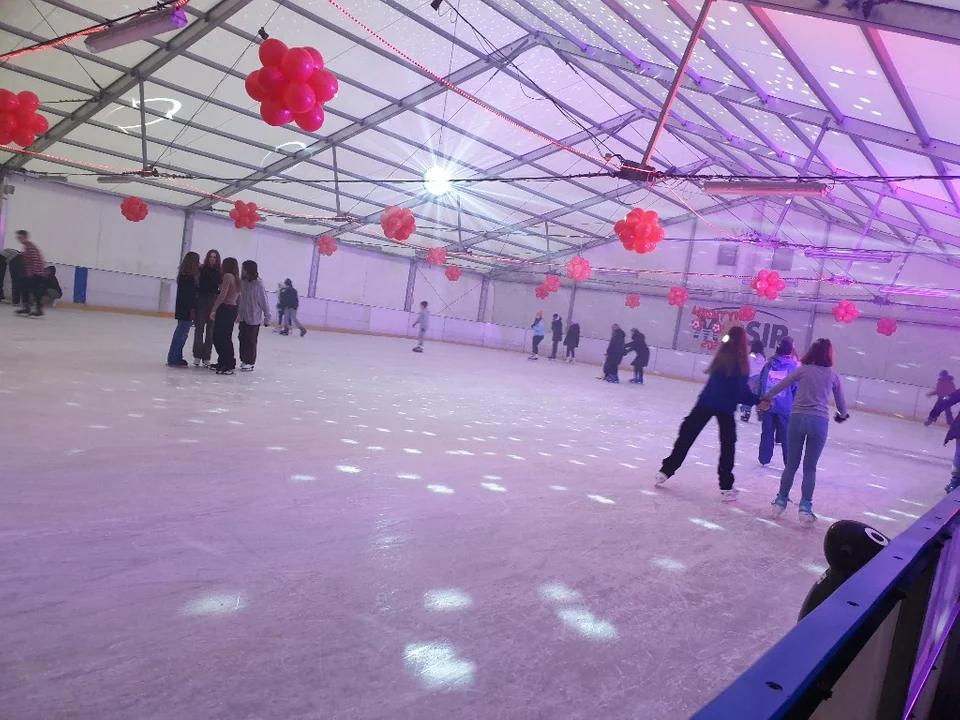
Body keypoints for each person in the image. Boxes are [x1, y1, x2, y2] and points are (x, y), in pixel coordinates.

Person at [656, 326, 758, 502]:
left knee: (687, 435)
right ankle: (726, 486)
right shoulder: (741, 361)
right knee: (727, 446)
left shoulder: (721, 356)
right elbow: (741, 392)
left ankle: (666, 471)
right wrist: (757, 400)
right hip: (724, 407)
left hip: (706, 402)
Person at [760, 338, 849, 527]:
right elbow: (841, 404)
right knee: (810, 467)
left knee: (791, 464)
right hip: (819, 422)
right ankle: (805, 508)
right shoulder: (832, 376)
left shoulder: (802, 370)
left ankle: (780, 501)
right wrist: (842, 415)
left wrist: (767, 397)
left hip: (797, 419)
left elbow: (780, 386)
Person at [757, 337, 799, 467]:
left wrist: (761, 400)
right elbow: (795, 387)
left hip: (768, 405)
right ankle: (789, 462)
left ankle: (764, 458)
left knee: (767, 433)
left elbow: (761, 383)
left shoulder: (768, 364)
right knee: (786, 436)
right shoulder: (792, 367)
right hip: (785, 407)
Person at [237, 260, 271, 372]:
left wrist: (267, 317)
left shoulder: (258, 284)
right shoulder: (243, 282)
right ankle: (244, 359)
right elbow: (241, 299)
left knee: (251, 340)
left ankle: (250, 362)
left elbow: (264, 301)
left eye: (245, 269)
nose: (243, 271)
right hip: (243, 316)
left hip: (254, 317)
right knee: (242, 338)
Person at [167, 252, 199, 368]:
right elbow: (190, 296)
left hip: (182, 308)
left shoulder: (183, 275)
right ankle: (174, 358)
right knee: (181, 334)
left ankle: (176, 356)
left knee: (180, 333)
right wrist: (193, 309)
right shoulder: (188, 277)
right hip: (187, 310)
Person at [209, 257, 240, 375]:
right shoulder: (237, 278)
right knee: (223, 336)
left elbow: (222, 295)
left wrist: (213, 309)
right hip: (231, 309)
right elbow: (239, 298)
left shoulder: (227, 276)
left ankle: (228, 363)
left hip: (225, 308)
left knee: (220, 337)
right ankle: (223, 361)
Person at [193, 249, 221, 367]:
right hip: (201, 300)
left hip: (213, 301)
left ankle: (206, 356)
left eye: (214, 257)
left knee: (210, 331)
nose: (212, 259)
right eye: (210, 256)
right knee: (199, 329)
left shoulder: (220, 272)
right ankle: (197, 355)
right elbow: (197, 284)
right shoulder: (201, 269)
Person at [14, 230, 46, 317]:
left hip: (36, 273)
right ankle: (27, 307)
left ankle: (37, 309)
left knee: (34, 291)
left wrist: (31, 273)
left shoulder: (30, 247)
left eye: (20, 237)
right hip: (32, 273)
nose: (19, 239)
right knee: (25, 289)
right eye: (18, 238)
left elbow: (35, 260)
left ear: (25, 237)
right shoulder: (27, 246)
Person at [742, 339, 767, 422]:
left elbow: (746, 365)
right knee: (758, 396)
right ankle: (760, 411)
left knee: (748, 396)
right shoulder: (764, 357)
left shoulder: (751, 356)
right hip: (760, 378)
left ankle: (746, 412)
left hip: (751, 378)